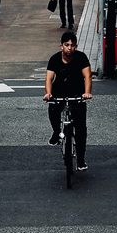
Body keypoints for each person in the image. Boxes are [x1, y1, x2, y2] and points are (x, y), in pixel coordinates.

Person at [43, 31, 92, 171]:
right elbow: (49, 79)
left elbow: (87, 76)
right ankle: (56, 132)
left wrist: (87, 92)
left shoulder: (81, 57)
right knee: (52, 109)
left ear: (75, 46)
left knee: (81, 129)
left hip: (77, 94)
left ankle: (81, 160)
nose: (69, 48)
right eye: (67, 45)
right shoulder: (54, 59)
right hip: (59, 92)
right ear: (61, 46)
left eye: (72, 45)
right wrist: (48, 93)